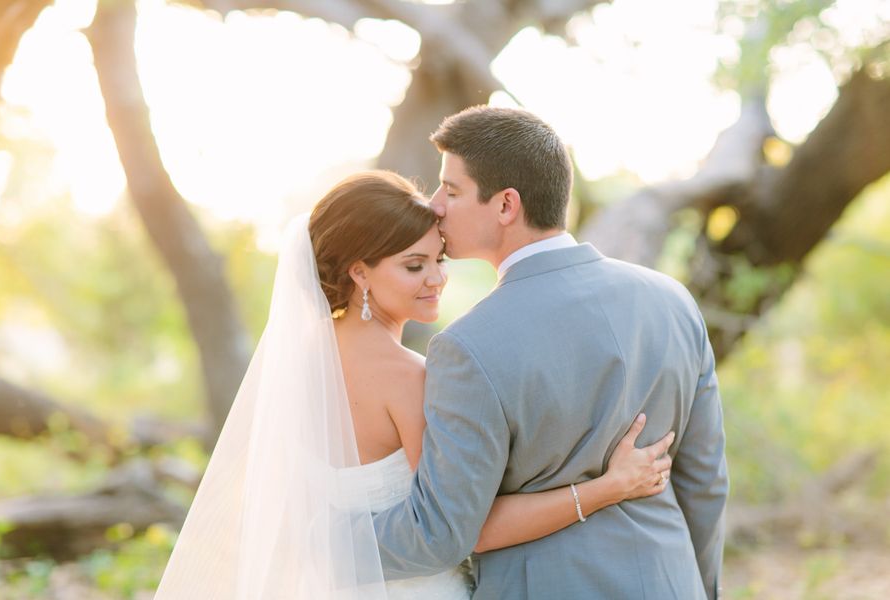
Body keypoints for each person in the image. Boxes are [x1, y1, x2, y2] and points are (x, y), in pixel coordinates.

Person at [153, 170, 674, 599]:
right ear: (360, 273)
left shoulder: (295, 360)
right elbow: (465, 531)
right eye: (413, 265)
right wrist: (607, 488)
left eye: (438, 260)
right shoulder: (409, 378)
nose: (436, 279)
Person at [371, 107, 729, 600]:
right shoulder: (672, 300)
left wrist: (313, 539)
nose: (435, 206)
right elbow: (705, 481)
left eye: (451, 190)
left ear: (505, 205)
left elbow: (441, 533)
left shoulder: (467, 346)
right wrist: (700, 587)